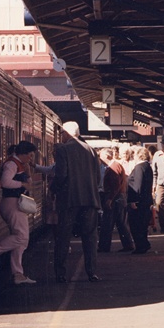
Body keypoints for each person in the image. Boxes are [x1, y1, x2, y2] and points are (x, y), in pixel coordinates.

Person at [51, 121, 101, 283]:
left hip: (69, 200)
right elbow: (97, 177)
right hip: (90, 199)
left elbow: (61, 175)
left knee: (63, 237)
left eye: (62, 134)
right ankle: (92, 272)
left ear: (66, 133)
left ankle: (60, 274)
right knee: (90, 238)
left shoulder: (63, 150)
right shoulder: (91, 150)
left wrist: (52, 189)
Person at [0, 140, 38, 284]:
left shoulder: (19, 164)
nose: (31, 159)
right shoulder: (12, 164)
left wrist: (27, 172)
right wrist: (22, 183)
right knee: (21, 237)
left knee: (21, 240)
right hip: (11, 203)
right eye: (30, 156)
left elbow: (29, 184)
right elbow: (5, 182)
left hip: (14, 203)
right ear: (24, 154)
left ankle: (18, 274)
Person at [98, 150, 135, 253]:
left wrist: (109, 199)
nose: (100, 159)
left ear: (107, 156)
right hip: (119, 198)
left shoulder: (113, 167)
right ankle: (128, 244)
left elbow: (115, 185)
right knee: (121, 223)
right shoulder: (116, 166)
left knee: (107, 223)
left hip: (115, 198)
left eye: (101, 157)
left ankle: (104, 246)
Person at [127, 147, 154, 254]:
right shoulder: (147, 166)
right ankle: (143, 244)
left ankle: (140, 245)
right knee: (142, 224)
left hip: (138, 201)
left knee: (136, 224)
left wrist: (134, 200)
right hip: (146, 200)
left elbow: (137, 185)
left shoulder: (139, 167)